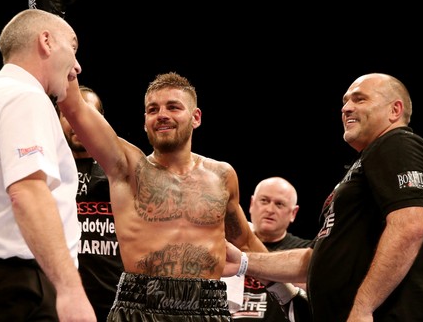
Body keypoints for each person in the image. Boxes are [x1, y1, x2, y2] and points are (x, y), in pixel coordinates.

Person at [56, 71, 292, 321]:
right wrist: (67, 62)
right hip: (139, 305)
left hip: (207, 306)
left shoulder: (222, 176)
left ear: (196, 117)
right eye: (153, 109)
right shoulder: (128, 169)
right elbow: (75, 108)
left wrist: (286, 291)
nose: (162, 115)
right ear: (144, 119)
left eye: (173, 107)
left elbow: (243, 242)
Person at [224, 72, 423, 321]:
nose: (346, 108)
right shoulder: (363, 168)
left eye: (359, 99)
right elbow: (318, 258)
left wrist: (364, 307)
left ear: (394, 110)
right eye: (345, 101)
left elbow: (410, 226)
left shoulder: (397, 143)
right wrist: (243, 261)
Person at [0, 9, 96, 322]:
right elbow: (27, 192)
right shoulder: (23, 98)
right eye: (73, 48)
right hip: (18, 291)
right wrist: (70, 290)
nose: (77, 66)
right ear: (46, 42)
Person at [58, 85, 125, 321]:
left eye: (87, 111)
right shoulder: (45, 173)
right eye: (67, 114)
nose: (76, 120)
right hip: (62, 301)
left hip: (117, 303)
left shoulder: (124, 171)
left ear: (100, 120)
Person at [231, 176, 312, 321]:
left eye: (279, 204)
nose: (270, 209)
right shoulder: (229, 245)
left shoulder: (306, 253)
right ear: (251, 203)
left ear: (293, 213)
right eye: (264, 201)